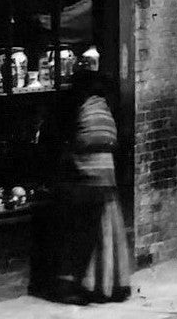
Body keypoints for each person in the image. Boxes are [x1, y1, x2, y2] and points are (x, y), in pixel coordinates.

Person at [50, 69, 131, 303]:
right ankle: (104, 283)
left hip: (84, 181)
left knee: (76, 235)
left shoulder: (79, 106)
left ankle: (73, 285)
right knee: (100, 236)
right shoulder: (105, 108)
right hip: (107, 181)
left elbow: (68, 142)